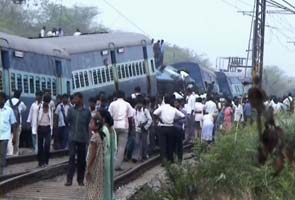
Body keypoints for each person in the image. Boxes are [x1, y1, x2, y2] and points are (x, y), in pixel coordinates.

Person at [65, 92, 91, 186]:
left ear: (81, 99)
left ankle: (80, 180)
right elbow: (67, 121)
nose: (74, 101)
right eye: (74, 99)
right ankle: (69, 180)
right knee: (71, 158)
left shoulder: (87, 112)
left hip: (82, 138)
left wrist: (88, 138)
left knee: (81, 160)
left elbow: (89, 124)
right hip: (72, 138)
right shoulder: (71, 110)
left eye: (76, 99)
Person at [153, 95, 185, 164]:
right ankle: (170, 160)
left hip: (162, 128)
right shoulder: (173, 109)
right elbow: (183, 116)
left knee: (162, 145)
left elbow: (154, 113)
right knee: (170, 144)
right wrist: (175, 120)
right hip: (171, 127)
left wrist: (160, 119)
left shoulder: (162, 107)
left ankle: (164, 161)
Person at [108, 91, 134, 170]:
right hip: (124, 126)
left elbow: (109, 115)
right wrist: (130, 128)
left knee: (113, 146)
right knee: (121, 147)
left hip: (114, 126)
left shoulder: (112, 104)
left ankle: (111, 164)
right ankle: (117, 165)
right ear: (124, 96)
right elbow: (130, 117)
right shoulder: (127, 104)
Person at [98, 110, 117, 200]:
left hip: (105, 157)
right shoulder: (112, 129)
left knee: (104, 181)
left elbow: (104, 145)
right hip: (111, 157)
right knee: (109, 180)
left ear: (103, 118)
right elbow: (114, 147)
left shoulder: (103, 129)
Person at [86, 117, 105, 200]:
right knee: (97, 185)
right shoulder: (100, 136)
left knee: (91, 185)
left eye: (91, 123)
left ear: (96, 126)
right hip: (99, 164)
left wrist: (89, 167)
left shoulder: (94, 137)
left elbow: (93, 154)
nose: (90, 124)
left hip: (94, 164)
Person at [5, 90, 27, 156]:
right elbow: (24, 109)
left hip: (9, 123)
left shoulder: (8, 102)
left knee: (10, 137)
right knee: (17, 138)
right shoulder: (21, 103)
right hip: (18, 124)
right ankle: (15, 153)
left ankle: (10, 153)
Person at [0, 92, 17, 175]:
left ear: (4, 100)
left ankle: (1, 173)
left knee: (2, 154)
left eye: (1, 98)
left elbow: (13, 124)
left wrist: (14, 137)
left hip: (5, 136)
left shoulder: (9, 110)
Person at [132, 96, 152, 162]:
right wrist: (136, 127)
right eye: (137, 104)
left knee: (144, 143)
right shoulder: (135, 111)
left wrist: (146, 126)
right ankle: (136, 157)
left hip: (144, 129)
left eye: (140, 103)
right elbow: (135, 120)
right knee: (137, 143)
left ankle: (144, 155)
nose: (138, 105)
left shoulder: (145, 110)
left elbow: (150, 120)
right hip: (138, 129)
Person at [34, 95, 53, 167]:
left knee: (47, 146)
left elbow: (51, 120)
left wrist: (52, 130)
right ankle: (40, 162)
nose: (46, 103)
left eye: (48, 102)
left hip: (48, 128)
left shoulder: (50, 108)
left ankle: (46, 162)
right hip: (40, 128)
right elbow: (36, 119)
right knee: (40, 146)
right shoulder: (39, 108)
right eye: (46, 102)